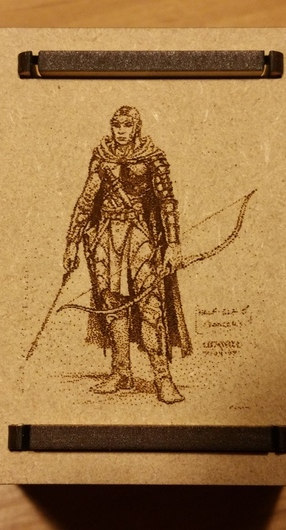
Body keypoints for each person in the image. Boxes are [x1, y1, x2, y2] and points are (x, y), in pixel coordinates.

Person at [63, 106, 192, 404]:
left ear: (136, 127)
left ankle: (163, 378)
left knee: (150, 307)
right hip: (107, 236)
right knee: (112, 305)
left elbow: (167, 203)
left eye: (127, 125)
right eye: (117, 125)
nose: (121, 131)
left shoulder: (152, 157)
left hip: (140, 236)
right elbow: (86, 201)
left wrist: (173, 244)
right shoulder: (102, 156)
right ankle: (122, 373)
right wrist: (71, 242)